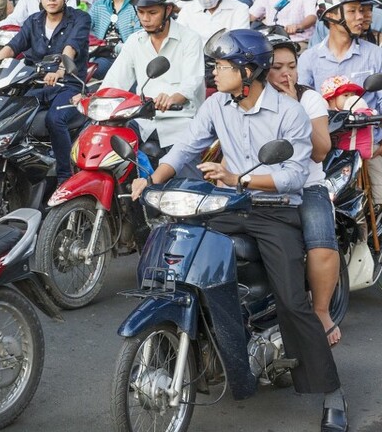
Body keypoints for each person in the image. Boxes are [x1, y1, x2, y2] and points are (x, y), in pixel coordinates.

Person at [131, 30, 345, 432]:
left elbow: (294, 174)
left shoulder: (288, 112)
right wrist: (152, 179)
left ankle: (332, 393)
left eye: (223, 67)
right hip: (228, 205)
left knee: (293, 300)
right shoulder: (216, 105)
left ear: (248, 71)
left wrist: (238, 179)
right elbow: (187, 148)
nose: (215, 73)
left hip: (276, 211)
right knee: (180, 243)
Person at [267, 34, 340, 348]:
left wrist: (294, 108)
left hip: (307, 185)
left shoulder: (308, 98)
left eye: (292, 66)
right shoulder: (251, 100)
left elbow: (321, 151)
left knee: (321, 243)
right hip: (264, 185)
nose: (287, 74)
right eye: (278, 67)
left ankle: (321, 311)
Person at [0, 0, 89, 185]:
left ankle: (64, 177)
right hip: (36, 85)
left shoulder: (80, 18)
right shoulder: (33, 21)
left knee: (55, 119)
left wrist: (61, 69)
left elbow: (72, 46)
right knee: (10, 115)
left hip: (69, 85)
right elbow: (12, 46)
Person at [298, 0, 382, 206]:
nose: (361, 17)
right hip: (325, 150)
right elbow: (301, 105)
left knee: (379, 203)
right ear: (332, 16)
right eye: (352, 11)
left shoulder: (375, 55)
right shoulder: (309, 59)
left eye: (362, 11)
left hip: (370, 149)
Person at [98, 0, 205, 150]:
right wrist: (97, 98)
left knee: (181, 172)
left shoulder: (190, 39)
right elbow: (115, 80)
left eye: (152, 12)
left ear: (168, 10)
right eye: (140, 12)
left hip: (181, 121)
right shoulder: (134, 41)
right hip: (142, 120)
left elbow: (191, 83)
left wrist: (172, 98)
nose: (145, 19)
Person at [87, 0, 140, 79]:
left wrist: (113, 46)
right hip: (103, 57)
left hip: (129, 60)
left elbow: (139, 39)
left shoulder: (137, 7)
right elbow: (84, 26)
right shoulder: (98, 5)